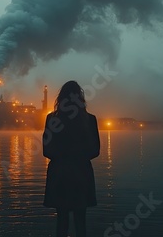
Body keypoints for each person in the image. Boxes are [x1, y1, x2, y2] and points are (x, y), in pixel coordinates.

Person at [42, 81, 100, 237]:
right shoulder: (90, 120)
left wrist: (63, 156)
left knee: (62, 219)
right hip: (81, 173)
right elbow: (95, 150)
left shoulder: (51, 119)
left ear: (60, 98)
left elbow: (46, 150)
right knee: (81, 220)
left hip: (59, 173)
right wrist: (78, 156)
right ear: (80, 98)